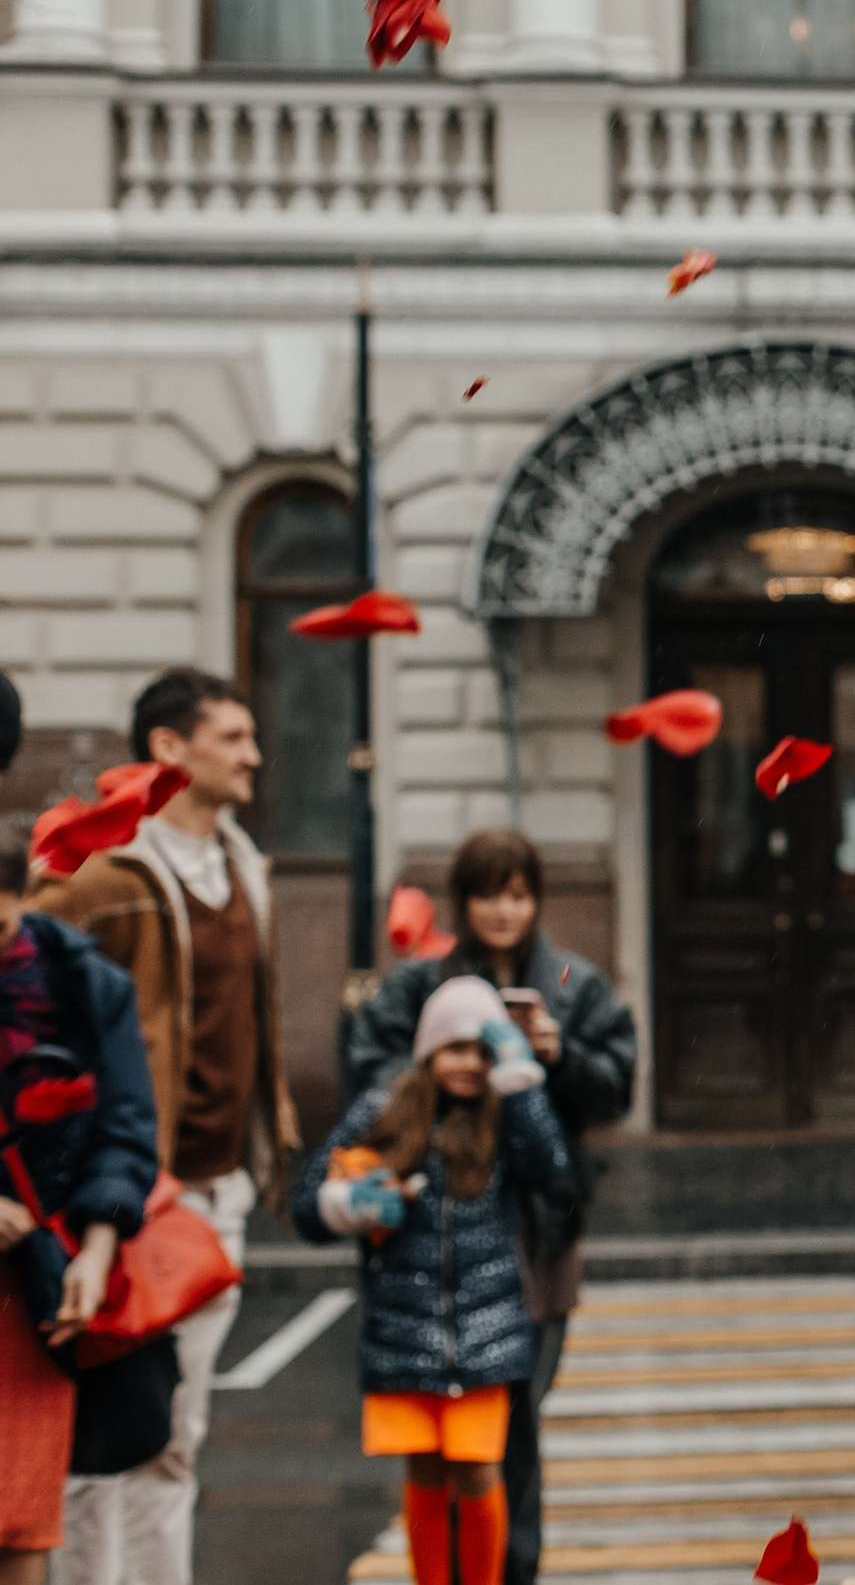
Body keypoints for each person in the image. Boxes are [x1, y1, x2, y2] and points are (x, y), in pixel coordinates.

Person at [34, 668, 297, 1585]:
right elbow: (23, 987)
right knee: (104, 1435)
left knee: (175, 1434)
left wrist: (273, 1149)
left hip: (211, 1193)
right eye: (233, 736)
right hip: (116, 1199)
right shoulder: (103, 875)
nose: (254, 754)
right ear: (169, 750)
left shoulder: (243, 863)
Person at [343, 829, 635, 1585]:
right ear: (463, 901)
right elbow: (372, 1076)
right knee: (442, 1446)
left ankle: (514, 1568)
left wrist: (555, 1053)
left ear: (536, 898)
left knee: (515, 1424)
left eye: (517, 893)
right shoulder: (418, 985)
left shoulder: (575, 983)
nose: (503, 911)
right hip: (436, 1238)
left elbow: (614, 1088)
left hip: (536, 1233)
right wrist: (450, 1069)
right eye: (486, 894)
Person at [295, 977, 570, 1585]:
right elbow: (308, 1204)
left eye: (484, 1049)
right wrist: (352, 1204)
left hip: (487, 1335)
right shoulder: (382, 1111)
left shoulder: (504, 1116)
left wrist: (521, 1078)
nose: (471, 1064)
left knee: (477, 1472)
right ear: (428, 1051)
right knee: (422, 1472)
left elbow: (554, 1171)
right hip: (405, 1334)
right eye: (456, 1048)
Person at [0, 838, 158, 1585]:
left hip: (37, 1280)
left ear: (22, 900)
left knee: (24, 1517)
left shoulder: (84, 985)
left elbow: (126, 1123)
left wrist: (95, 1250)